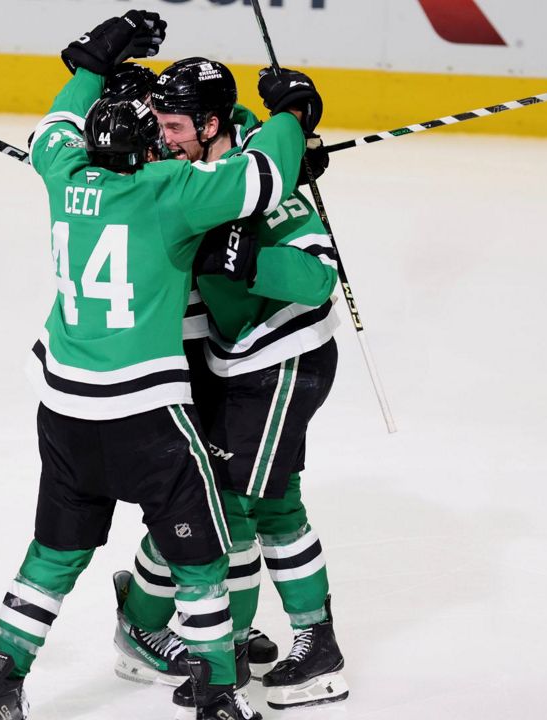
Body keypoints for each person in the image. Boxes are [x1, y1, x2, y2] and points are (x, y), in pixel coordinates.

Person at [0, 10, 318, 720]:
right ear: (145, 153)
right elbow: (262, 177)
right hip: (146, 414)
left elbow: (53, 128)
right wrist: (291, 117)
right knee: (203, 558)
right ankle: (217, 697)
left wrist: (91, 66)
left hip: (64, 408)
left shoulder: (62, 171)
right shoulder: (170, 194)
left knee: (53, 555)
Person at [111, 56, 350, 711]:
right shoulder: (194, 170)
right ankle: (298, 642)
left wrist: (251, 260)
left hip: (279, 361)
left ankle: (228, 650)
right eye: (158, 124)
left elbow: (319, 277)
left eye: (175, 126)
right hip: (229, 360)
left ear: (212, 125)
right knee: (264, 504)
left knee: (228, 508)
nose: (164, 137)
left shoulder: (255, 179)